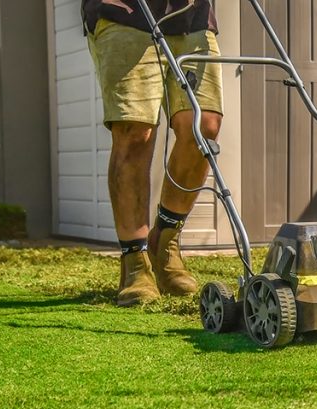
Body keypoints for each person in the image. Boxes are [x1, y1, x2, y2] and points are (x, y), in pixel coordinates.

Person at [82, 0, 222, 306]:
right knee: (135, 131)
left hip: (193, 17)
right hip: (126, 12)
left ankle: (165, 241)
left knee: (203, 127)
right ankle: (134, 261)